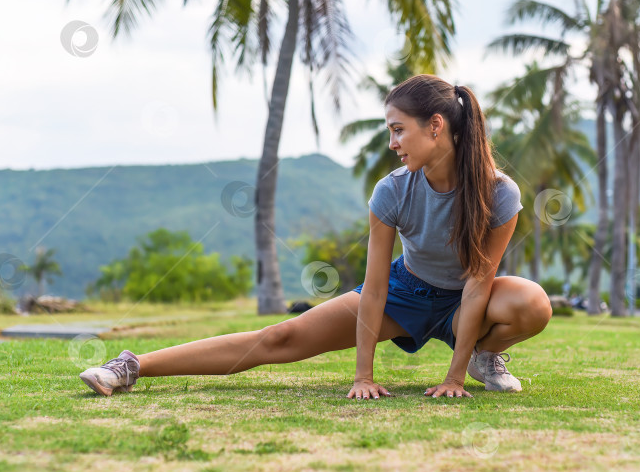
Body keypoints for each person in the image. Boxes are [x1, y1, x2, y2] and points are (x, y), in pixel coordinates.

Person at [79, 74, 552, 400]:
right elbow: (376, 286)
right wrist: (363, 374)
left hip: (467, 298)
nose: (392, 143)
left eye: (398, 130)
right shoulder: (392, 191)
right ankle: (130, 366)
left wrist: (454, 378)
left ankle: (483, 358)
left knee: (532, 302)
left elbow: (476, 282)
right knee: (281, 337)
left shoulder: (499, 194)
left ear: (436, 126)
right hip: (405, 290)